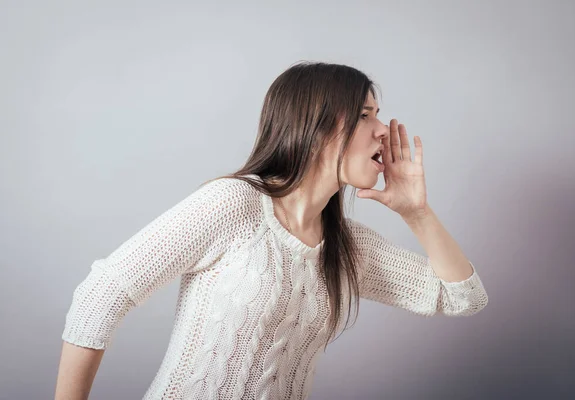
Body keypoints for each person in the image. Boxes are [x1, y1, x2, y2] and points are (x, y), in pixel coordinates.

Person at [55, 61, 488, 400]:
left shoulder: (344, 245)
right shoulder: (234, 204)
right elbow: (102, 294)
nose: (382, 130)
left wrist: (417, 213)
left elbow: (463, 297)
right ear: (316, 128)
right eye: (364, 115)